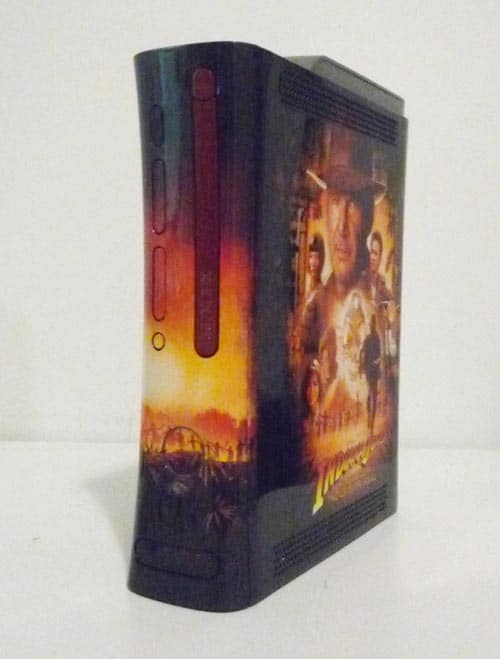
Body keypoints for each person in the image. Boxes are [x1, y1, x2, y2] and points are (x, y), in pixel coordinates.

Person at [360, 314, 382, 435]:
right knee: (370, 395)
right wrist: (363, 367)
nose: (371, 326)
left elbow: (379, 354)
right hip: (369, 370)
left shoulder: (377, 338)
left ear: (375, 325)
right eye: (370, 324)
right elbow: (363, 353)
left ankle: (371, 424)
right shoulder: (368, 339)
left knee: (374, 396)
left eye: (373, 324)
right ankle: (369, 420)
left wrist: (377, 361)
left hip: (374, 370)